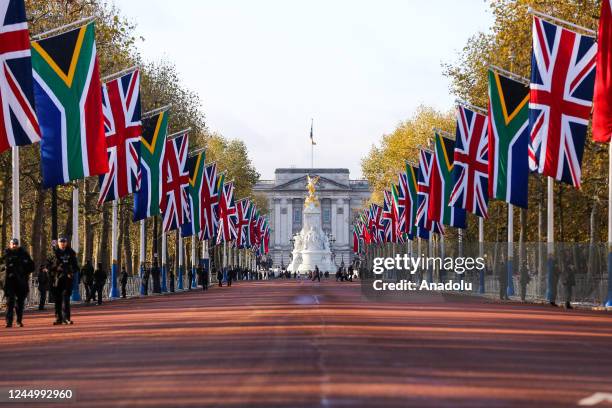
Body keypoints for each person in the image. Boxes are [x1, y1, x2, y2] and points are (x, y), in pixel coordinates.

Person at [0, 238, 35, 327]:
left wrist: (24, 271)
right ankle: (9, 322)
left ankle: (19, 320)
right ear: (10, 244)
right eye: (13, 244)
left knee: (20, 303)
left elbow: (32, 266)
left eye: (16, 244)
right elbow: (0, 266)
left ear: (18, 244)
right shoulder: (6, 254)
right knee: (10, 301)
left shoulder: (24, 254)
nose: (14, 245)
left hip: (21, 281)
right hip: (9, 281)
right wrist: (5, 267)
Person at [49, 237, 79, 325]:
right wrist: (55, 268)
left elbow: (76, 266)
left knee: (66, 299)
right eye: (60, 242)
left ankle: (66, 318)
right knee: (58, 300)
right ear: (58, 243)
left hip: (67, 279)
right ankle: (58, 318)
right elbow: (48, 266)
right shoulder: (53, 253)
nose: (62, 243)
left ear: (66, 243)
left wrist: (71, 272)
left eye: (64, 242)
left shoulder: (71, 253)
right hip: (57, 279)